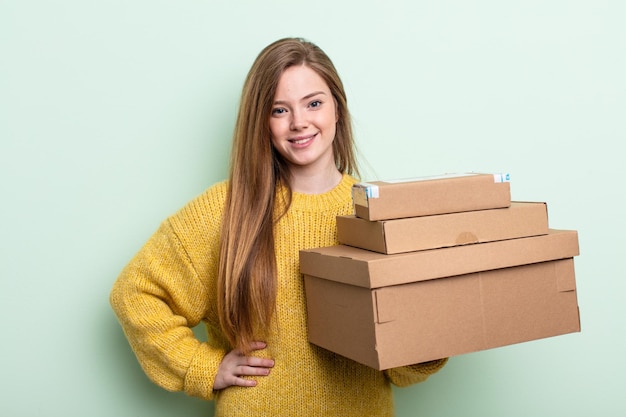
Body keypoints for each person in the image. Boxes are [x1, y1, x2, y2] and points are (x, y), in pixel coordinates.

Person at [110, 37, 447, 416]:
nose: (299, 122)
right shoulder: (224, 209)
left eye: (314, 103)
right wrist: (202, 367)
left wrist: (434, 334)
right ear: (262, 122)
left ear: (338, 108)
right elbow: (134, 292)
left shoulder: (381, 213)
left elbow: (402, 368)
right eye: (279, 110)